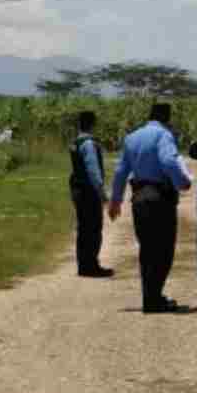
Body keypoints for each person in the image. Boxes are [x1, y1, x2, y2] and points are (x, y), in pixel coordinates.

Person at [108, 102, 195, 312]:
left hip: (139, 198)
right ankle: (154, 298)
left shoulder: (132, 137)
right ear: (167, 118)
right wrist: (182, 182)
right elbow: (169, 161)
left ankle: (151, 297)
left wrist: (115, 201)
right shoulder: (163, 135)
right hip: (160, 198)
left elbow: (120, 172)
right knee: (164, 250)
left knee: (147, 249)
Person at [70, 110, 113, 278]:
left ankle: (84, 265)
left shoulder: (75, 142)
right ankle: (92, 266)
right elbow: (93, 171)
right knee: (93, 228)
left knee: (83, 228)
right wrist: (102, 192)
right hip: (89, 191)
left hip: (78, 190)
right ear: (92, 124)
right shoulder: (89, 144)